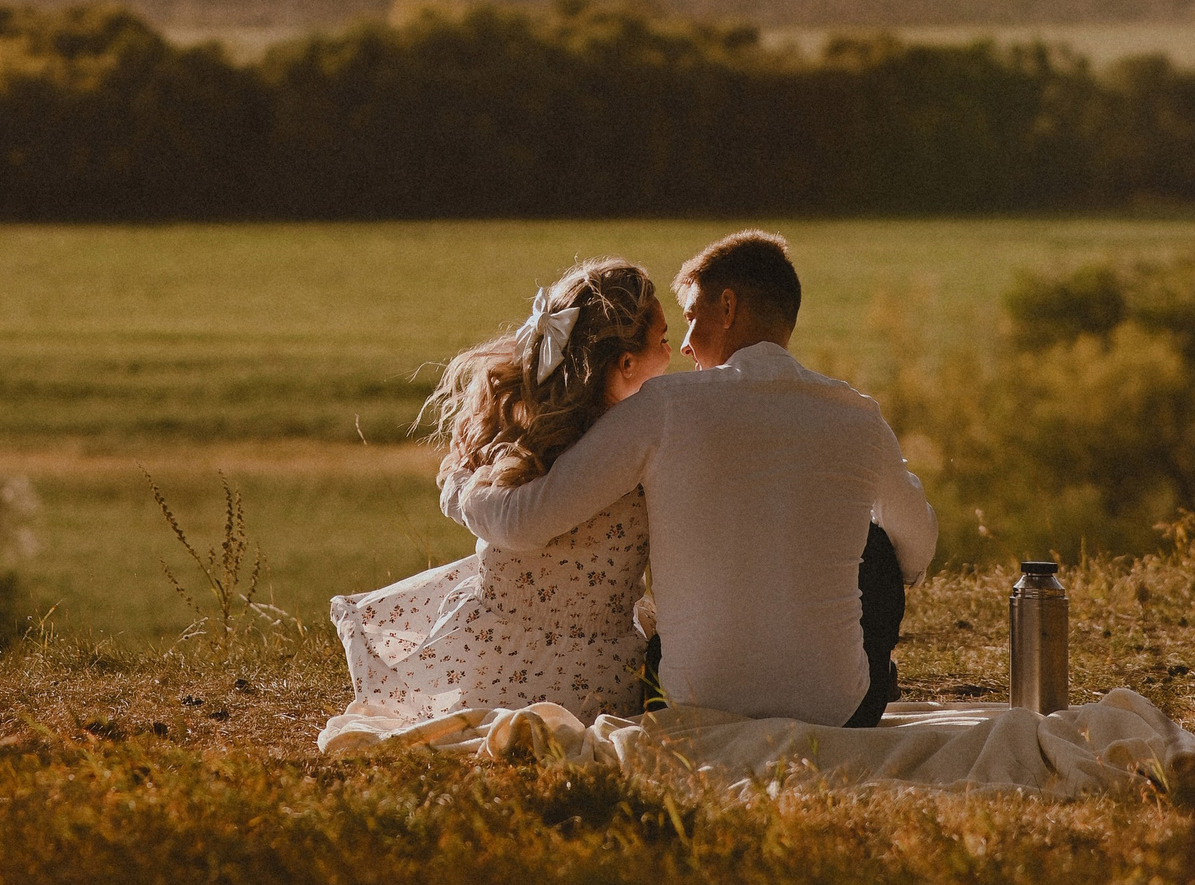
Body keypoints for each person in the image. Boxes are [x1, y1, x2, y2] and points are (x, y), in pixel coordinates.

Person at [441, 230, 935, 728]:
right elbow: (919, 547)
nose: (683, 343)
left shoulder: (663, 409)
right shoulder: (859, 416)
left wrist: (460, 484)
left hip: (689, 704)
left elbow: (526, 520)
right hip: (839, 711)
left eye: (692, 317)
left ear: (727, 307)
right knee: (875, 544)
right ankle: (863, 669)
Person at [329, 259, 671, 723]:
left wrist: (457, 481)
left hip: (497, 650)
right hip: (568, 672)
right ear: (627, 363)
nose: (678, 351)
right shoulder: (619, 443)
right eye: (665, 341)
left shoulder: (562, 430)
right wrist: (460, 483)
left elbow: (494, 507)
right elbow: (519, 523)